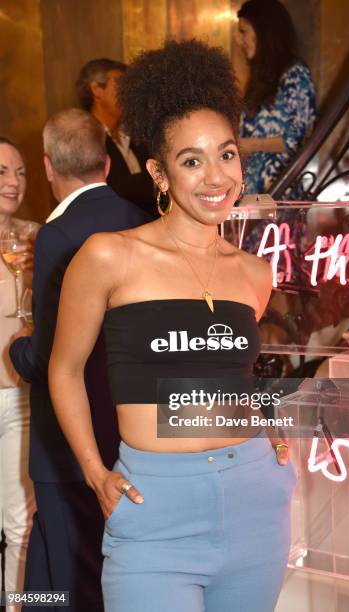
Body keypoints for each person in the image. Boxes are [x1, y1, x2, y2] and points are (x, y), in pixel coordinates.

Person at [48, 41, 297, 612]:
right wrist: (93, 471)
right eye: (192, 160)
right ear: (159, 173)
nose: (217, 177)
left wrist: (272, 426)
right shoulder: (108, 256)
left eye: (227, 154)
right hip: (155, 506)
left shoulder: (255, 274)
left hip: (257, 500)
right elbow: (63, 369)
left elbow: (232, 374)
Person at [9, 110, 149, 611]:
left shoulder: (59, 234)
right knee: (95, 564)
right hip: (128, 426)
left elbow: (51, 354)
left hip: (68, 440)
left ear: (48, 167)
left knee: (63, 574)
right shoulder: (142, 220)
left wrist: (16, 349)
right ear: (107, 163)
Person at [0, 137, 37, 610]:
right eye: (2, 172)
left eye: (22, 171)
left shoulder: (35, 236)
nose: (14, 182)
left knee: (22, 523)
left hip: (17, 399)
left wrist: (39, 280)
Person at [237, 0, 316, 196]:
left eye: (244, 31)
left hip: (281, 197)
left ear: (263, 32)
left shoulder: (296, 75)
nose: (241, 40)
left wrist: (248, 145)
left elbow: (297, 140)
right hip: (252, 198)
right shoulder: (261, 81)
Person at [76, 58, 154, 213]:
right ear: (96, 89)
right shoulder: (83, 136)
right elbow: (109, 189)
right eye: (119, 83)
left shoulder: (136, 132)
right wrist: (158, 180)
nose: (128, 91)